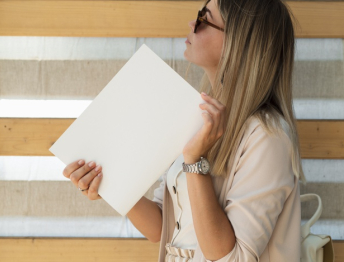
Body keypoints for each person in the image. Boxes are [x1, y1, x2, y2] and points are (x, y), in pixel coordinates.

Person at [62, 0, 307, 261]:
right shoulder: (198, 117)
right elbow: (161, 225)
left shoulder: (268, 136)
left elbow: (234, 258)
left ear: (238, 43)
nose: (192, 24)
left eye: (204, 18)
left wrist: (194, 161)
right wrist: (109, 184)